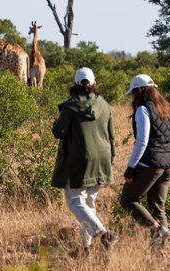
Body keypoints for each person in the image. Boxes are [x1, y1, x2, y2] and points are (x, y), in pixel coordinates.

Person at [51, 67, 119, 256]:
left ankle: (103, 234)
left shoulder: (71, 106)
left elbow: (58, 132)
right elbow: (112, 136)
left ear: (75, 84)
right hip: (102, 158)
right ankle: (84, 247)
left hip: (80, 159)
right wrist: (110, 160)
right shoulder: (104, 104)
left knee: (74, 200)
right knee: (88, 202)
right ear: (93, 83)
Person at [120, 74, 170, 252]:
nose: (133, 97)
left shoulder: (143, 109)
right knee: (158, 207)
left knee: (128, 200)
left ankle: (158, 229)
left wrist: (131, 167)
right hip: (168, 165)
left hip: (150, 164)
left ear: (139, 91)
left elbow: (142, 141)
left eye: (134, 93)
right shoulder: (167, 108)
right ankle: (159, 253)